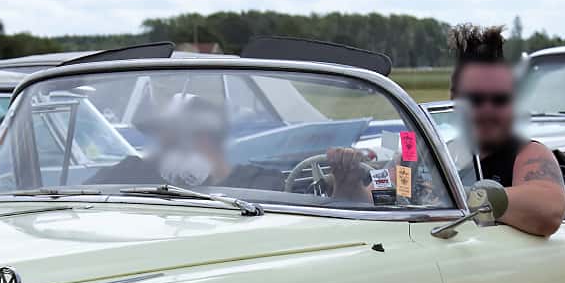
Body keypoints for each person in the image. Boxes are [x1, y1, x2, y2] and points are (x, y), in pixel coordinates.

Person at [91, 93, 372, 201]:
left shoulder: (263, 183)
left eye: (170, 137)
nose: (160, 147)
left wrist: (346, 181)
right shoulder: (133, 172)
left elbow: (347, 208)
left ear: (204, 139)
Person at [448, 24, 565, 237]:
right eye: (475, 99)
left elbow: (549, 211)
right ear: (454, 98)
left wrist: (456, 197)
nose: (487, 110)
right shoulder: (440, 154)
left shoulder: (528, 153)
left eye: (499, 99)